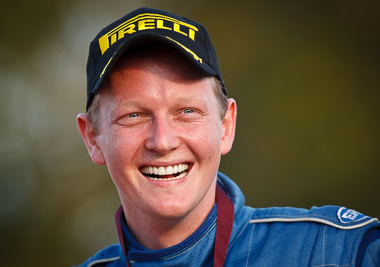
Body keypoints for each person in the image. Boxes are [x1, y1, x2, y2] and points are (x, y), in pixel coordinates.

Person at [75, 7, 380, 267]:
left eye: (187, 111)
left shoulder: (340, 251)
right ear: (92, 138)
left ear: (226, 126)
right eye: (134, 116)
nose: (163, 141)